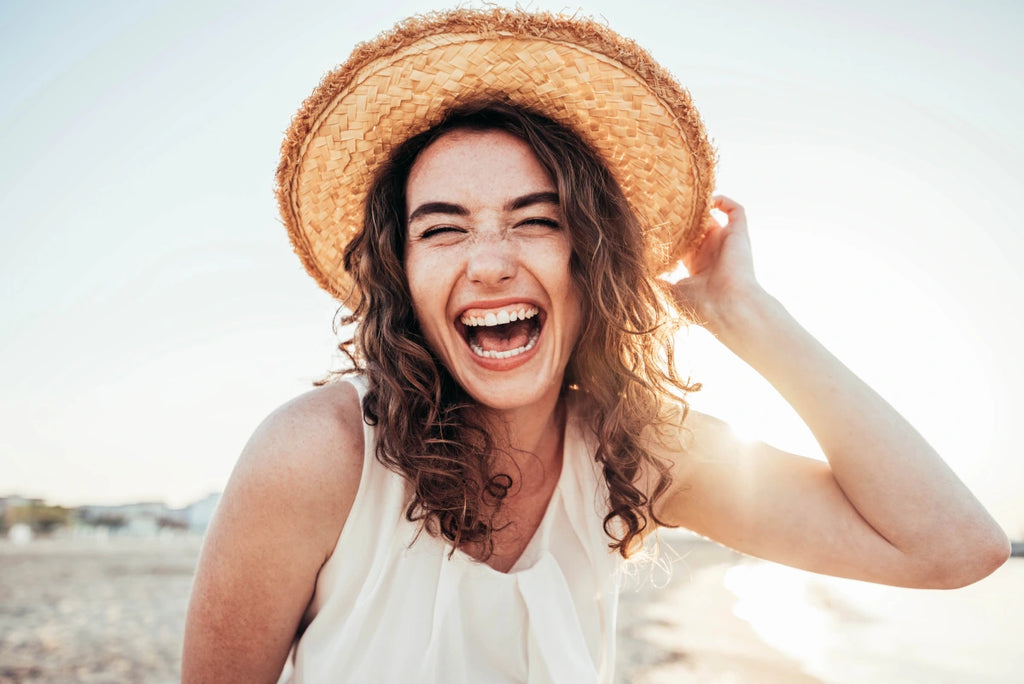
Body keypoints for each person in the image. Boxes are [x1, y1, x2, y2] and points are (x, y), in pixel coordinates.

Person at [182, 8, 1010, 683]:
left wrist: (749, 315)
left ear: (592, 259)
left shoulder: (630, 449)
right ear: (400, 275)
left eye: (537, 220)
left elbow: (952, 548)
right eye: (443, 230)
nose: (492, 261)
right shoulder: (316, 454)